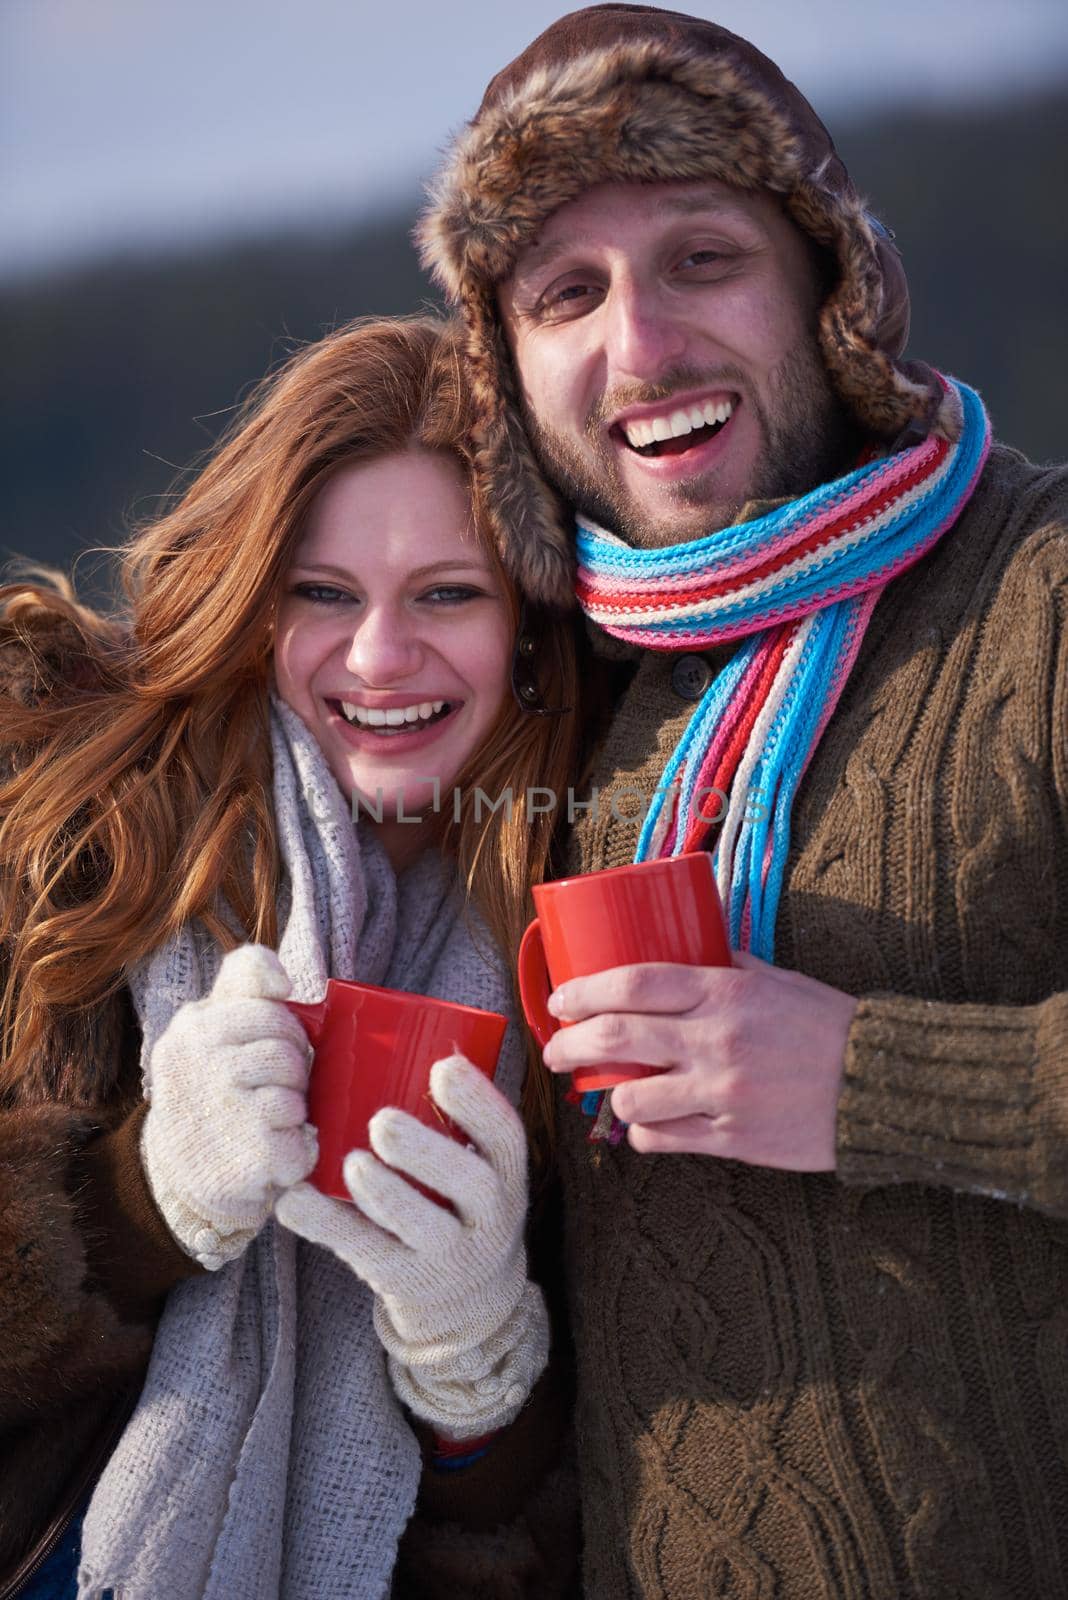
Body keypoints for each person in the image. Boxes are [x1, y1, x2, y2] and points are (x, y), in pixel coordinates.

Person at [417, 7, 1068, 1597]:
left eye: (701, 259)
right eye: (567, 294)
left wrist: (874, 1075)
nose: (642, 348)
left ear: (827, 288)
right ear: (508, 364)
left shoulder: (1044, 593)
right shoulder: (542, 704)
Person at [0, 316, 579, 1600]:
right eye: (324, 594)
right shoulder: (59, 807)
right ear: (257, 603)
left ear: (529, 626)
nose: (379, 657)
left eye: (448, 593)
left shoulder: (572, 913)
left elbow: (559, 1521)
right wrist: (147, 1196)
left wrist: (477, 1357)